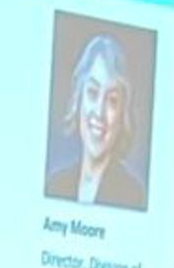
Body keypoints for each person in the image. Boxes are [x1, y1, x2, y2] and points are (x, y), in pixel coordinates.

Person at [47, 32, 144, 211]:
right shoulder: (54, 185)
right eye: (92, 92)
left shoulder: (135, 196)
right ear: (79, 99)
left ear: (123, 114)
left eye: (112, 100)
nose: (99, 113)